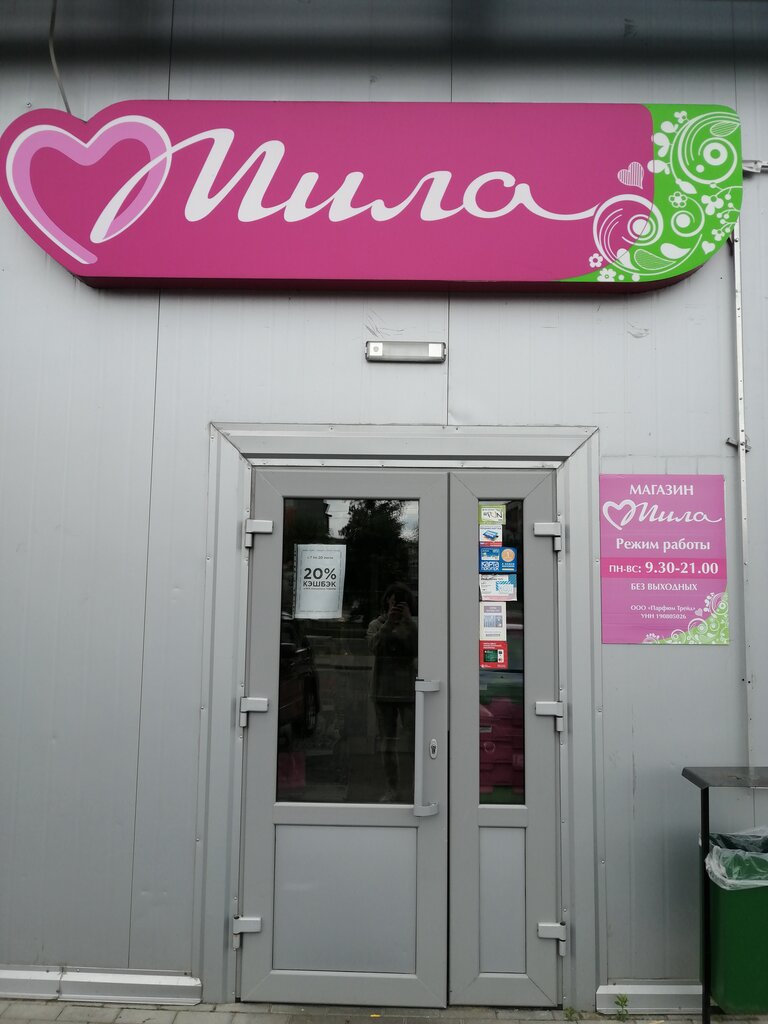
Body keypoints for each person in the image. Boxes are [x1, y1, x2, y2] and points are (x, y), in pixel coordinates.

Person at [366, 583, 418, 802]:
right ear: (387, 603)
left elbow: (422, 647)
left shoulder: (414, 625)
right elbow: (374, 647)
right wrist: (389, 623)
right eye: (393, 603)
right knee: (387, 743)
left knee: (416, 740)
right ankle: (392, 788)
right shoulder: (376, 625)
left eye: (401, 604)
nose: (396, 607)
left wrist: (408, 621)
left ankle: (418, 787)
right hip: (383, 690)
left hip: (409, 691)